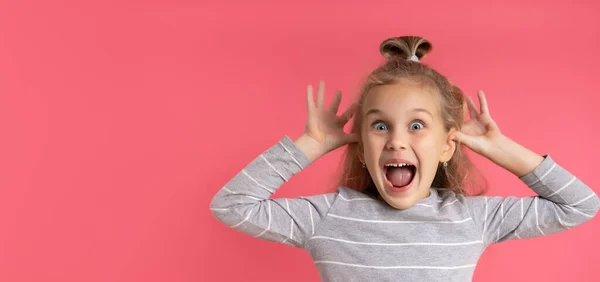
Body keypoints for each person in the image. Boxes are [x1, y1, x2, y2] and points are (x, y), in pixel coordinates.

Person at [209, 35, 600, 282]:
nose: (396, 141)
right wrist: (309, 144)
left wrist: (501, 149)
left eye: (416, 126)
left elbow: (580, 206)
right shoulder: (329, 217)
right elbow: (231, 206)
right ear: (360, 146)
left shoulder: (470, 217)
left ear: (447, 145)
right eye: (380, 127)